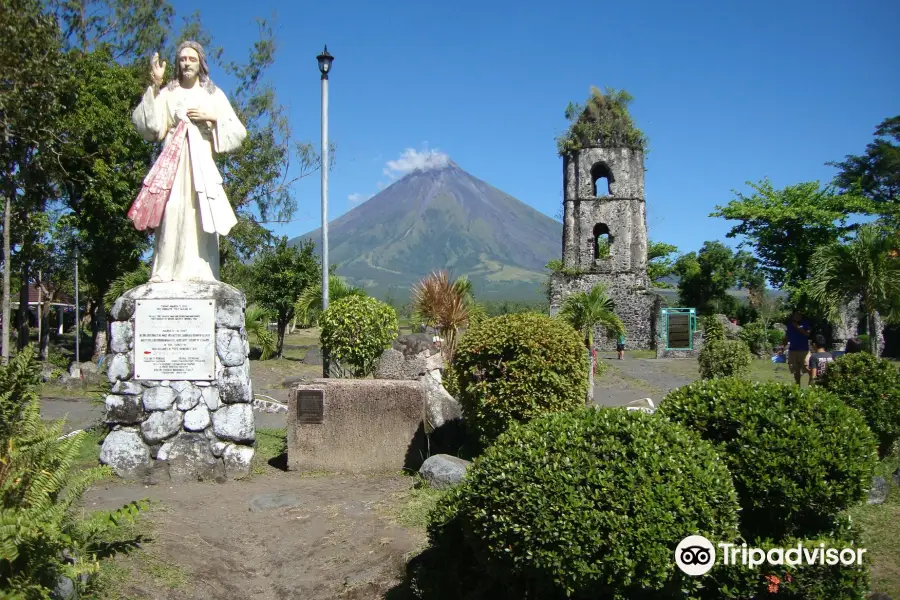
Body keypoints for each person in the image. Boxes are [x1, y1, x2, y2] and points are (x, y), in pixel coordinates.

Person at [128, 41, 247, 283]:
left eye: (192, 59)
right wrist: (155, 84)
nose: (187, 63)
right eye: (183, 59)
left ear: (200, 63)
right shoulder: (168, 93)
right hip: (172, 163)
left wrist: (212, 118)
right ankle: (164, 271)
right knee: (171, 209)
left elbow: (238, 132)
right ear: (177, 63)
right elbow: (149, 127)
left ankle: (201, 271)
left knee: (198, 212)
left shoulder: (212, 93)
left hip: (200, 162)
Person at [780, 310, 812, 385]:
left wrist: (797, 327)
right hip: (793, 351)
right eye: (796, 315)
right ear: (793, 316)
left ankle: (811, 384)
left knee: (808, 368)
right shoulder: (790, 325)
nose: (798, 316)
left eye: (799, 315)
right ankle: (797, 388)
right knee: (795, 372)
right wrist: (782, 346)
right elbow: (787, 336)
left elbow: (807, 334)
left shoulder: (805, 324)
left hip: (804, 351)